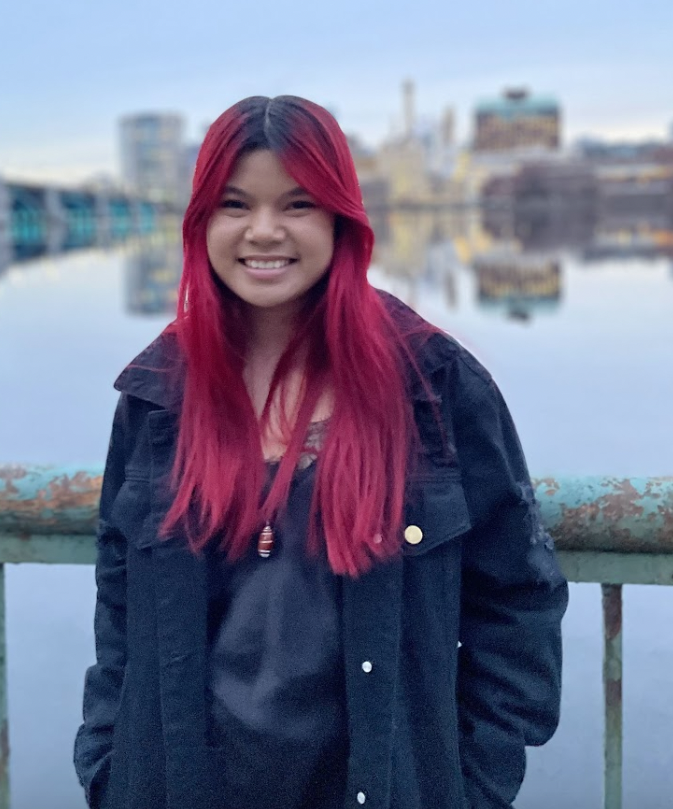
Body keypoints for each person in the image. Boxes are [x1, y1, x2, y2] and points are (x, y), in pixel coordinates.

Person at [74, 95, 568, 809]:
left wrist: (472, 787)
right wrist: (106, 765)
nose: (264, 232)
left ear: (341, 218)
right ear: (201, 222)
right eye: (235, 205)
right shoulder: (159, 397)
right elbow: (119, 605)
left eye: (298, 205)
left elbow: (518, 599)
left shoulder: (434, 387)